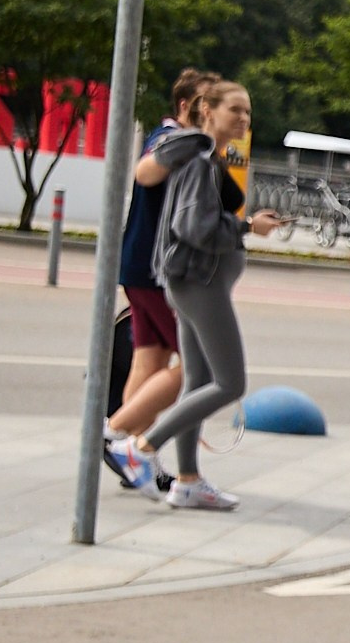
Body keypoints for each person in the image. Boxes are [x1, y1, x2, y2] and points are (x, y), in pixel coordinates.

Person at [115, 81, 282, 510]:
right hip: (198, 282)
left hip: (192, 280)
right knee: (230, 383)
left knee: (199, 382)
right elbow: (195, 227)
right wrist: (248, 228)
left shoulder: (205, 155)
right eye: (234, 110)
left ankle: (188, 481)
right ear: (206, 109)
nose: (243, 119)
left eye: (248, 112)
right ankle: (142, 445)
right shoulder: (199, 159)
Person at [99, 67, 218, 489]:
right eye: (207, 105)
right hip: (156, 273)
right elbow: (146, 171)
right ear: (185, 106)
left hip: (142, 269)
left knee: (149, 362)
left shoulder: (185, 143)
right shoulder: (171, 139)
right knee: (198, 366)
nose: (214, 113)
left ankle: (131, 458)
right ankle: (117, 435)